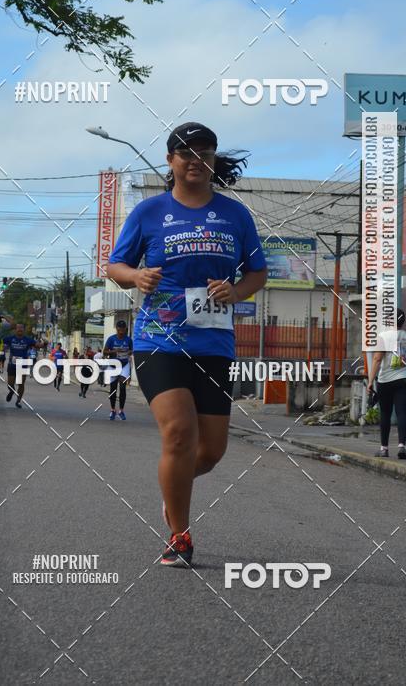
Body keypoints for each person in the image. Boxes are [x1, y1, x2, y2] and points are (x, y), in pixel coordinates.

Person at [107, 122, 267, 567]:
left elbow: (257, 272)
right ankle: (179, 534)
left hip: (214, 342)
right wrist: (136, 276)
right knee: (179, 434)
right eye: (187, 153)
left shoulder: (235, 215)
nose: (196, 161)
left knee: (211, 452)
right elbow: (115, 265)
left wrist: (236, 291)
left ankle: (173, 489)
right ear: (170, 160)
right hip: (159, 339)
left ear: (213, 160)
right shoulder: (149, 212)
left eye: (205, 153)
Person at [367, 309, 406, 459]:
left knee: (385, 414)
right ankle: (402, 447)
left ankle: (384, 449)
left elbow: (377, 359)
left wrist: (370, 381)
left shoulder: (383, 337)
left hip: (386, 381)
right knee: (402, 412)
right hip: (405, 379)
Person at [104, 319, 133, 421]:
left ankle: (121, 411)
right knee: (113, 388)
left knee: (122, 387)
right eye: (119, 329)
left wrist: (128, 352)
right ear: (116, 329)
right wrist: (114, 351)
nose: (121, 331)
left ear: (125, 329)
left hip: (124, 365)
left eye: (123, 329)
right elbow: (104, 352)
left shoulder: (128, 340)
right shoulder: (111, 339)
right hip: (113, 366)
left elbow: (131, 350)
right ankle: (112, 410)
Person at [3, 323, 36, 408]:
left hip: (23, 365)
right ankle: (11, 391)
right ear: (15, 329)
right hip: (12, 365)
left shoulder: (28, 340)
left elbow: (38, 345)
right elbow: (0, 340)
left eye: (21, 327)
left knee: (21, 384)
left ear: (24, 329)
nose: (20, 329)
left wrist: (45, 343)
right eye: (18, 327)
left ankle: (18, 400)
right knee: (10, 384)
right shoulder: (10, 338)